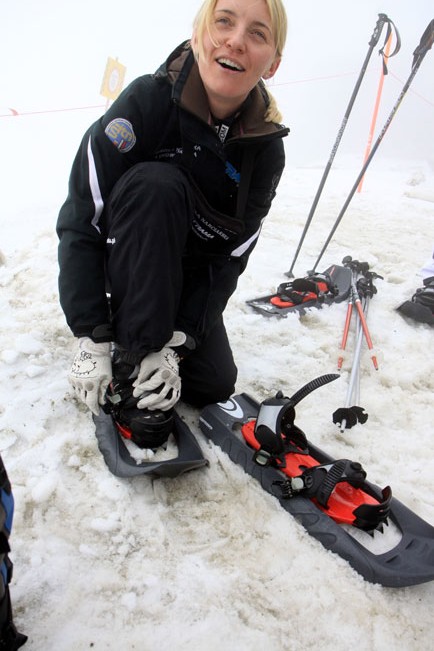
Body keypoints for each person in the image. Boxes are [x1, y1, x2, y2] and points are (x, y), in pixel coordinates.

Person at [57, 0, 289, 449]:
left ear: (273, 63)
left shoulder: (265, 152)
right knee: (158, 184)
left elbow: (230, 260)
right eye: (224, 21)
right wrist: (90, 333)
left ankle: (153, 343)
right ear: (201, 32)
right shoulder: (146, 102)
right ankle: (129, 355)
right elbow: (81, 219)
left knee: (214, 384)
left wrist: (178, 342)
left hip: (182, 281)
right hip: (123, 267)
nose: (236, 40)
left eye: (257, 34)